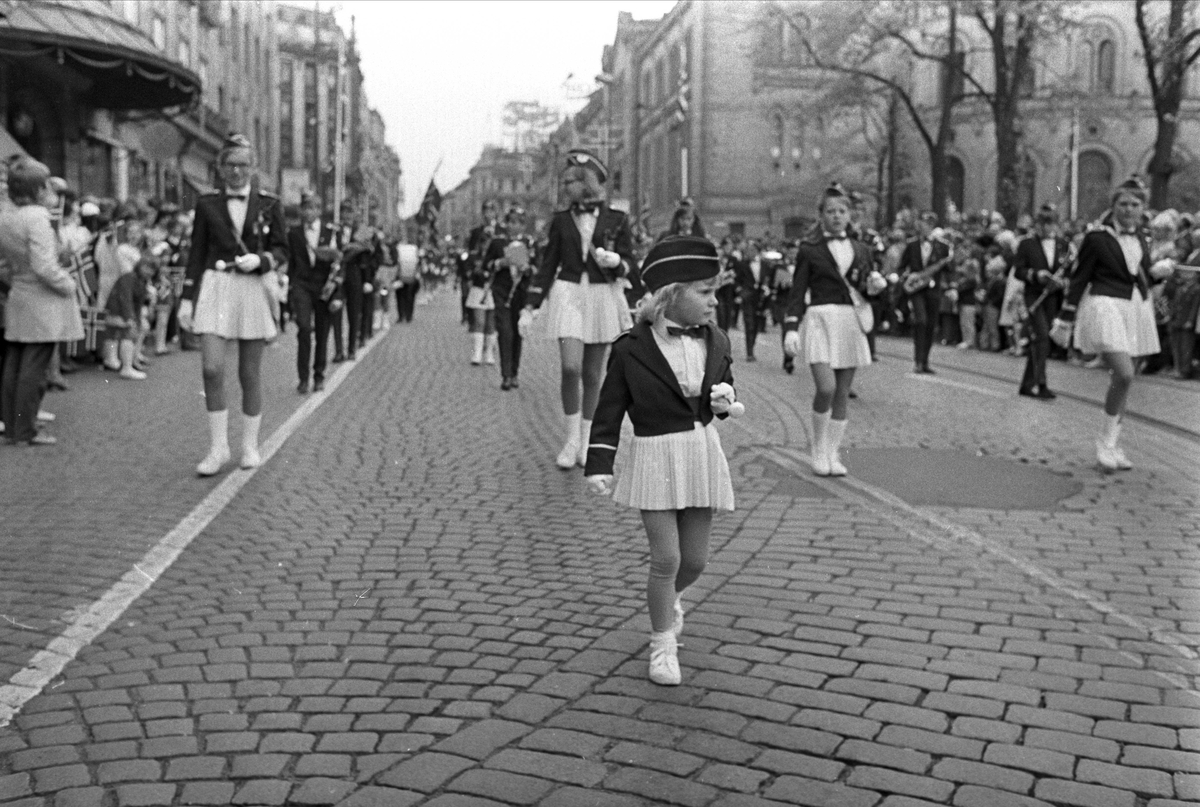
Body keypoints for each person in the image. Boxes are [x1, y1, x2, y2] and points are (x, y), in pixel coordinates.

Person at [583, 235, 738, 686]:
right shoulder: (632, 348)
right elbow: (609, 410)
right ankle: (662, 644)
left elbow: (723, 391)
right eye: (705, 292)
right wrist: (599, 463)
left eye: (715, 292)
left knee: (696, 560)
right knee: (665, 558)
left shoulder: (718, 341)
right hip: (654, 454)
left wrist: (726, 401)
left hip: (700, 452)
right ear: (671, 295)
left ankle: (668, 601)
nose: (714, 302)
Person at [177, 133, 288, 476]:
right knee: (211, 368)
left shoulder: (270, 203)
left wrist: (263, 260)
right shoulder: (207, 203)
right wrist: (186, 299)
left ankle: (250, 446)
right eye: (230, 165)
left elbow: (282, 250)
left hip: (252, 289)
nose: (237, 172)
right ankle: (218, 447)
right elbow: (196, 253)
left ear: (253, 169)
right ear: (221, 169)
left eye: (243, 165)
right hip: (216, 286)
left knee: (248, 373)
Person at [521, 148, 635, 469]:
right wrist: (530, 306)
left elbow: (630, 263)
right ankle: (570, 439)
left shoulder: (617, 219)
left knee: (592, 373)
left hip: (602, 294)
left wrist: (618, 263)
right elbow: (548, 265)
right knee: (571, 368)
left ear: (587, 182)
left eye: (571, 181)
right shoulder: (560, 220)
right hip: (568, 291)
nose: (566, 187)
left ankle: (586, 442)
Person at [1052, 175, 1160, 470]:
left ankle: (1112, 443)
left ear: (1142, 208)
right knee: (1123, 374)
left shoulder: (1142, 237)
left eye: (1134, 204)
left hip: (1135, 308)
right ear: (1113, 207)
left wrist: (1160, 272)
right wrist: (1065, 317)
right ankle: (1105, 444)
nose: (1128, 209)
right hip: (1105, 305)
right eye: (1123, 204)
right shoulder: (1097, 237)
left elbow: (1143, 275)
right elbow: (1079, 278)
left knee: (1124, 381)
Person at [782, 184, 877, 477]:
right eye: (831, 211)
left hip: (850, 321)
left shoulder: (862, 249)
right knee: (826, 387)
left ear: (850, 215)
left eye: (842, 211)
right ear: (821, 216)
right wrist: (791, 328)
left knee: (842, 392)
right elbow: (797, 292)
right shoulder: (809, 250)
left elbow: (864, 288)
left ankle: (832, 453)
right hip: (820, 319)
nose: (837, 216)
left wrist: (876, 287)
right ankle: (818, 448)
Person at [0, 157, 84, 446]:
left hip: (19, 295)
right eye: (45, 185)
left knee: (14, 364)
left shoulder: (6, 215)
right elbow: (44, 266)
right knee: (34, 369)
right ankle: (26, 430)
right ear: (37, 189)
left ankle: (12, 428)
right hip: (42, 300)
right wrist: (69, 284)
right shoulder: (36, 217)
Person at [286, 191, 343, 393]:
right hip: (302, 284)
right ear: (301, 210)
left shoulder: (331, 232)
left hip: (322, 284)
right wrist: (290, 289)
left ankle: (319, 375)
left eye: (314, 208)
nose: (310, 212)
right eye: (306, 208)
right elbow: (291, 263)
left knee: (322, 332)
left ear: (319, 210)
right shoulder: (293, 233)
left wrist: (335, 293)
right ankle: (303, 378)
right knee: (304, 328)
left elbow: (338, 264)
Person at [1013, 204, 1069, 399]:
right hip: (1034, 296)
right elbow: (1018, 271)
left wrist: (1062, 282)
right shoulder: (1026, 244)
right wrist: (1036, 275)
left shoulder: (1064, 245)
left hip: (1052, 298)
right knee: (1043, 336)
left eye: (1051, 223)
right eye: (1043, 224)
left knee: (1040, 340)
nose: (1046, 228)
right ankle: (1041, 384)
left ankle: (1027, 384)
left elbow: (1069, 272)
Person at [483, 205, 536, 390]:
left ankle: (514, 373)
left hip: (521, 294)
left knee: (517, 333)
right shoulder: (498, 243)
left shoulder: (529, 243)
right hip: (502, 292)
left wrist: (527, 268)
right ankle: (505, 375)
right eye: (512, 222)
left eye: (519, 223)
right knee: (506, 332)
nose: (515, 226)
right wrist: (501, 262)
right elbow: (486, 265)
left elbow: (537, 268)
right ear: (506, 223)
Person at [898, 211, 953, 373]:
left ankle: (925, 361)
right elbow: (902, 266)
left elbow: (949, 269)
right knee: (920, 321)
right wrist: (907, 276)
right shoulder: (912, 244)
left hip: (933, 289)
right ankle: (917, 361)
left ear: (932, 226)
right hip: (916, 289)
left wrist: (949, 277)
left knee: (931, 325)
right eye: (922, 223)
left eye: (928, 224)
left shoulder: (942, 246)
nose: (923, 226)